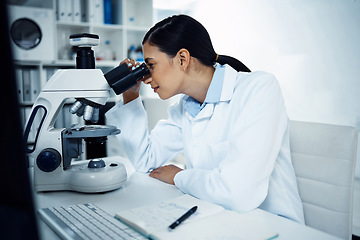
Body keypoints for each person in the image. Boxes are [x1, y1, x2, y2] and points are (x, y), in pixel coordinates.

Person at [105, 14, 305, 224]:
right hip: (218, 216)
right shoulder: (186, 107)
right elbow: (145, 161)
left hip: (272, 223)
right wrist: (130, 95)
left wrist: (179, 176)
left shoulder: (259, 88)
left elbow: (237, 193)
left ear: (183, 59)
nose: (145, 77)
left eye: (150, 65)